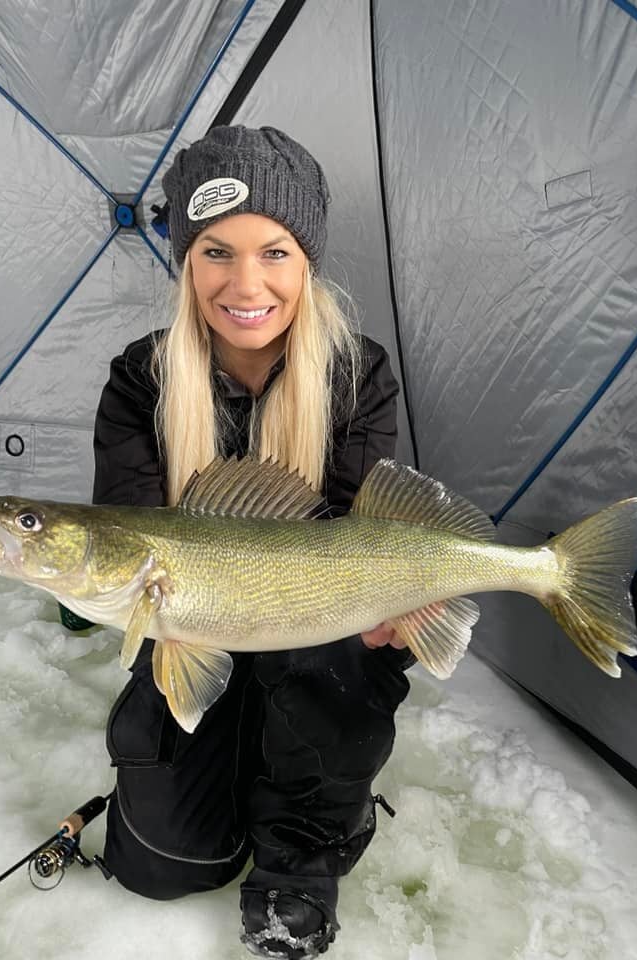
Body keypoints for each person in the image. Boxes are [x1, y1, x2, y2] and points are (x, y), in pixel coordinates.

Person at [92, 124, 412, 959]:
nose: (246, 283)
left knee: (327, 671)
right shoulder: (141, 378)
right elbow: (121, 527)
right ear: (185, 263)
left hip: (320, 626)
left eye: (274, 251)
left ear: (307, 261)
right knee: (164, 866)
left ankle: (302, 854)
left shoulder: (356, 373)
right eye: (215, 252)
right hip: (189, 621)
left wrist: (399, 615)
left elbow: (361, 530)